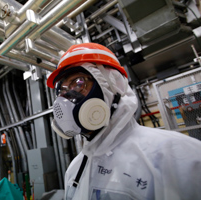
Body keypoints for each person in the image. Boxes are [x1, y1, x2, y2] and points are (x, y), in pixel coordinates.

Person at [46, 43, 201, 200]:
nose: (65, 98)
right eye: (62, 90)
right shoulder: (74, 169)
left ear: (113, 85)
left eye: (78, 83)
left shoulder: (177, 157)